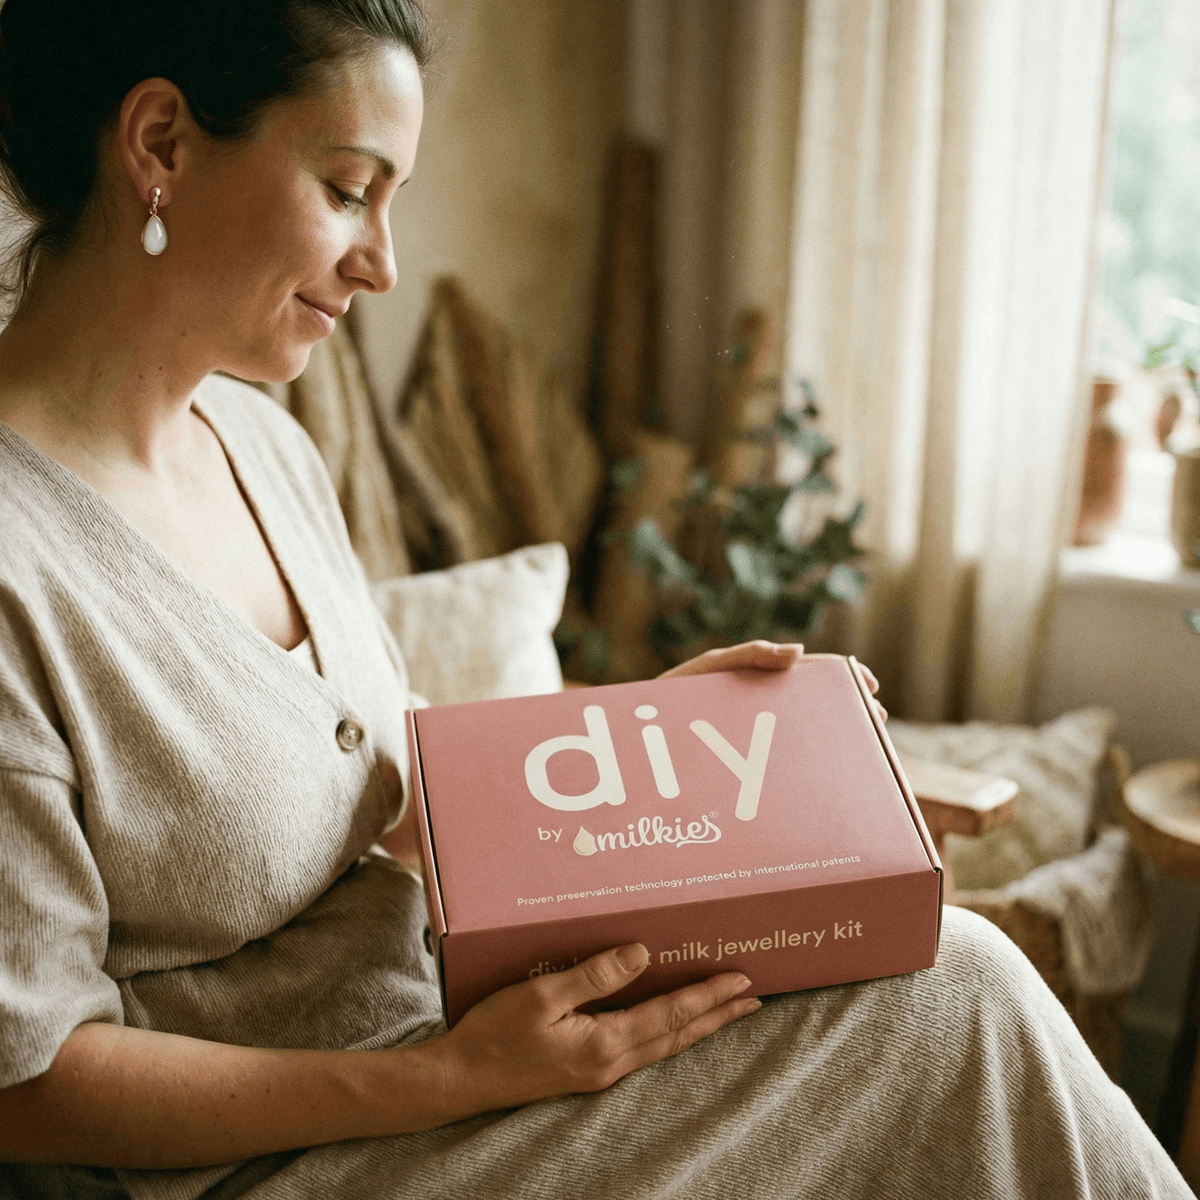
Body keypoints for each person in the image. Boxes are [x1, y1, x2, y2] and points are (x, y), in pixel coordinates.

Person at [0, 2, 1188, 1197]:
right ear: (158, 142)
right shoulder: (19, 566)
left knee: (928, 972)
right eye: (350, 187)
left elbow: (373, 790)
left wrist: (641, 746)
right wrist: (453, 1081)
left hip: (452, 1058)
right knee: (955, 996)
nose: (384, 262)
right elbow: (30, 1082)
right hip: (285, 1160)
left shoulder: (260, 443)